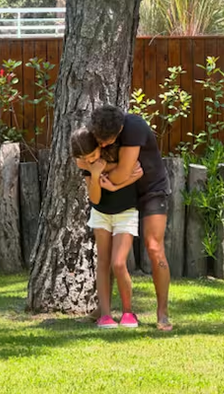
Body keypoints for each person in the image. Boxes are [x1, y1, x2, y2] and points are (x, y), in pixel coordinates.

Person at [90, 105, 174, 331]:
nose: (102, 145)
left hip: (151, 191)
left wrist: (102, 170)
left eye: (107, 141)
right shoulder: (99, 132)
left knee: (154, 247)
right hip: (124, 194)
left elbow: (120, 175)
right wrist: (100, 171)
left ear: (119, 130)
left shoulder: (134, 127)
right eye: (99, 141)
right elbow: (86, 163)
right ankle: (103, 310)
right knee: (108, 254)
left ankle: (162, 313)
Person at [72, 127, 144, 329]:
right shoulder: (87, 165)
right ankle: (105, 314)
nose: (90, 160)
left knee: (118, 263)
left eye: (92, 155)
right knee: (103, 262)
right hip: (101, 214)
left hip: (126, 212)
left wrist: (106, 169)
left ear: (99, 145)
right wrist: (95, 174)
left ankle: (128, 312)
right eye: (85, 159)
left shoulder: (118, 150)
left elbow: (135, 168)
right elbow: (95, 198)